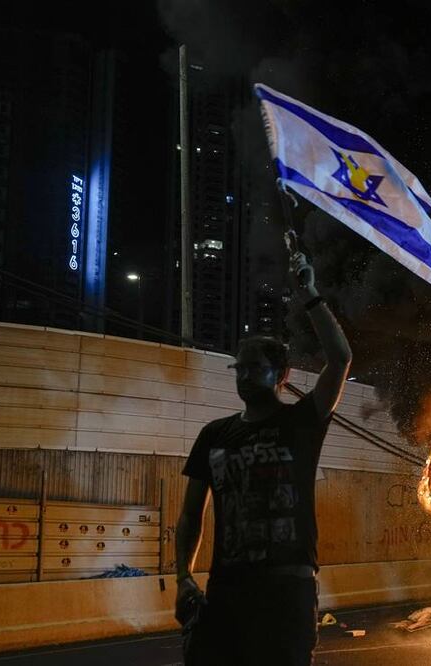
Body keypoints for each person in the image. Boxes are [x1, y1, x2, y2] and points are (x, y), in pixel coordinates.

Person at [174, 249, 352, 666]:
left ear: (282, 375)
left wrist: (310, 294)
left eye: (255, 367)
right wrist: (183, 576)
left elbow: (340, 359)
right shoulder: (214, 434)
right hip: (227, 594)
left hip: (287, 592)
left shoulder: (301, 422)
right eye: (239, 368)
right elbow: (190, 516)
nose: (244, 375)